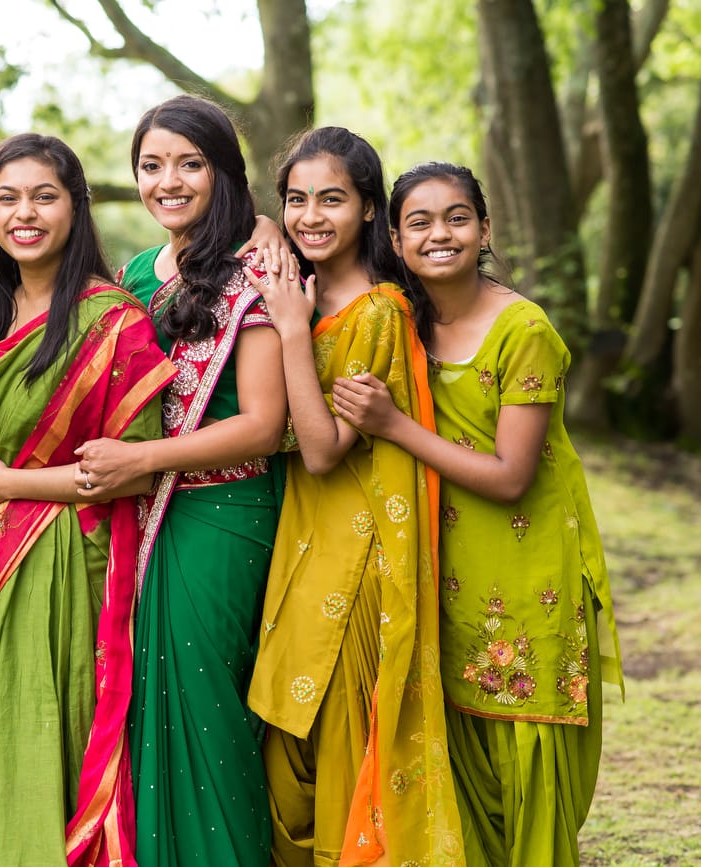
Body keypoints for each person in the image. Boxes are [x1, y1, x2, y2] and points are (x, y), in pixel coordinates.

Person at [332, 162, 623, 867]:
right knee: (462, 771)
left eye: (458, 217)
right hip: (443, 572)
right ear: (395, 240)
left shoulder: (524, 328)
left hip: (530, 577)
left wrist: (394, 424)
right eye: (420, 222)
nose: (441, 233)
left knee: (530, 771)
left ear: (485, 229)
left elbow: (510, 475)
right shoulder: (401, 322)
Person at [0, 134, 175, 866]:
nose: (24, 213)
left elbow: (133, 470)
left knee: (39, 729)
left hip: (64, 561)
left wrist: (12, 484)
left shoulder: (113, 318)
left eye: (44, 195)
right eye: (7, 198)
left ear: (77, 206)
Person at [73, 93, 288, 865]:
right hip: (140, 518)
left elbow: (264, 423)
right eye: (152, 165)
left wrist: (141, 461)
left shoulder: (255, 268)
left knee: (207, 716)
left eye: (190, 164)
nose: (169, 180)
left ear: (223, 173)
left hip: (223, 515)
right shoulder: (134, 271)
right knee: (142, 719)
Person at [243, 127, 463, 866]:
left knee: (334, 751)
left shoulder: (378, 311)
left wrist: (292, 332)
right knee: (286, 748)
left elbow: (322, 449)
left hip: (356, 559)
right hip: (300, 544)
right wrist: (272, 233)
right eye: (296, 200)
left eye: (331, 199)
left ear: (371, 208)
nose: (311, 216)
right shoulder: (295, 283)